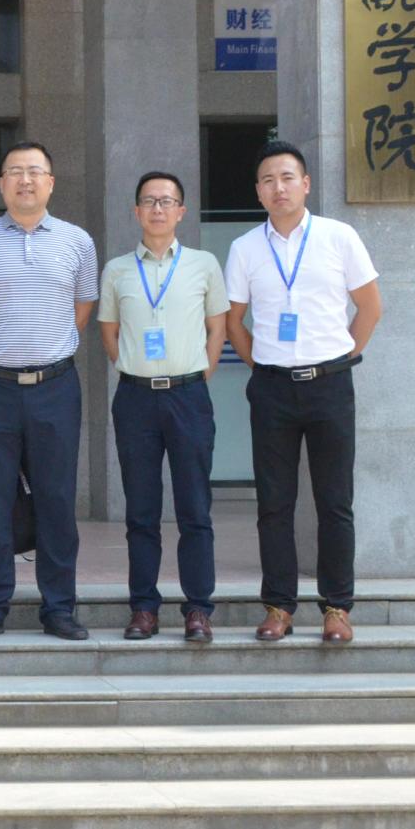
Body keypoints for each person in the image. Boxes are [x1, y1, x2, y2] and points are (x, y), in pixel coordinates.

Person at [225, 140, 383, 645]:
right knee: (274, 503)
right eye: (268, 180)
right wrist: (263, 363)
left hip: (330, 385)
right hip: (272, 389)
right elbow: (233, 321)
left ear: (306, 184)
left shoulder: (339, 237)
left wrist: (341, 357)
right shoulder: (245, 248)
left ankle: (337, 608)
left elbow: (370, 307)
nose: (279, 188)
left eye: (288, 177)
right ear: (258, 191)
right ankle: (278, 606)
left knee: (335, 501)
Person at [0, 141, 98, 641]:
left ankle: (59, 607)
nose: (25, 180)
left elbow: (81, 309)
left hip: (55, 387)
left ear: (51, 183)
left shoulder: (78, 241)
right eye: (15, 171)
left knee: (57, 498)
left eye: (35, 171)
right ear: (1, 184)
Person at [98, 170, 229, 645]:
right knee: (141, 509)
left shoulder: (203, 264)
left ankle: (198, 609)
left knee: (195, 507)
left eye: (167, 201)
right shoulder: (117, 270)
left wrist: (200, 372)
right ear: (136, 212)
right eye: (149, 201)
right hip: (135, 397)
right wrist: (133, 367)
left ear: (181, 211)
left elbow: (218, 327)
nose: (158, 208)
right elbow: (109, 332)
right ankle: (144, 608)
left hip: (188, 396)